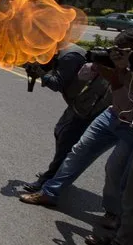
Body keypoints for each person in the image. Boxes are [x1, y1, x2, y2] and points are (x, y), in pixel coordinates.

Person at [20, 33, 133, 220]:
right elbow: (85, 75)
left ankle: (115, 217)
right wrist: (100, 65)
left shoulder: (70, 55)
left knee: (117, 169)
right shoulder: (108, 61)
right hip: (107, 113)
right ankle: (50, 191)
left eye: (123, 51)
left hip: (126, 122)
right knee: (77, 151)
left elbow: (127, 93)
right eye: (115, 50)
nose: (117, 54)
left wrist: (124, 71)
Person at [22, 44, 111, 192]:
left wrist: (39, 72)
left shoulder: (69, 56)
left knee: (66, 139)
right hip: (82, 101)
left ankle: (48, 180)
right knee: (61, 132)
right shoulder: (60, 53)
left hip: (89, 105)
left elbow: (57, 83)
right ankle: (57, 172)